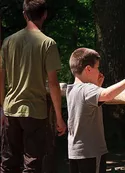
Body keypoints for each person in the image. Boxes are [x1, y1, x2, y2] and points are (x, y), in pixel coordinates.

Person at [0, 0, 66, 172]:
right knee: (32, 163)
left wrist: (2, 107)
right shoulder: (48, 43)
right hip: (35, 111)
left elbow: (1, 78)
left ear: (24, 14)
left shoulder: (8, 42)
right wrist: (59, 117)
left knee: (8, 162)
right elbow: (53, 83)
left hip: (11, 109)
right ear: (44, 15)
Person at [66, 48, 125, 173]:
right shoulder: (88, 89)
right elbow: (107, 95)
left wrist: (97, 87)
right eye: (97, 68)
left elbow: (88, 105)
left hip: (75, 152)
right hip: (91, 152)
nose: (99, 71)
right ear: (88, 69)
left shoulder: (71, 90)